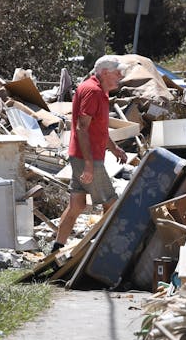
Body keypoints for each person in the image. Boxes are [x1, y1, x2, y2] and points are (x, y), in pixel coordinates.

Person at [51, 55, 128, 254]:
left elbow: (98, 128)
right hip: (88, 158)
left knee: (77, 205)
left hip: (82, 156)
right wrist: (88, 164)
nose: (120, 76)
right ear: (104, 73)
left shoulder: (97, 89)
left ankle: (56, 248)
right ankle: (98, 250)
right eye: (117, 72)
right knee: (111, 204)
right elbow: (82, 128)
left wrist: (113, 148)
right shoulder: (93, 91)